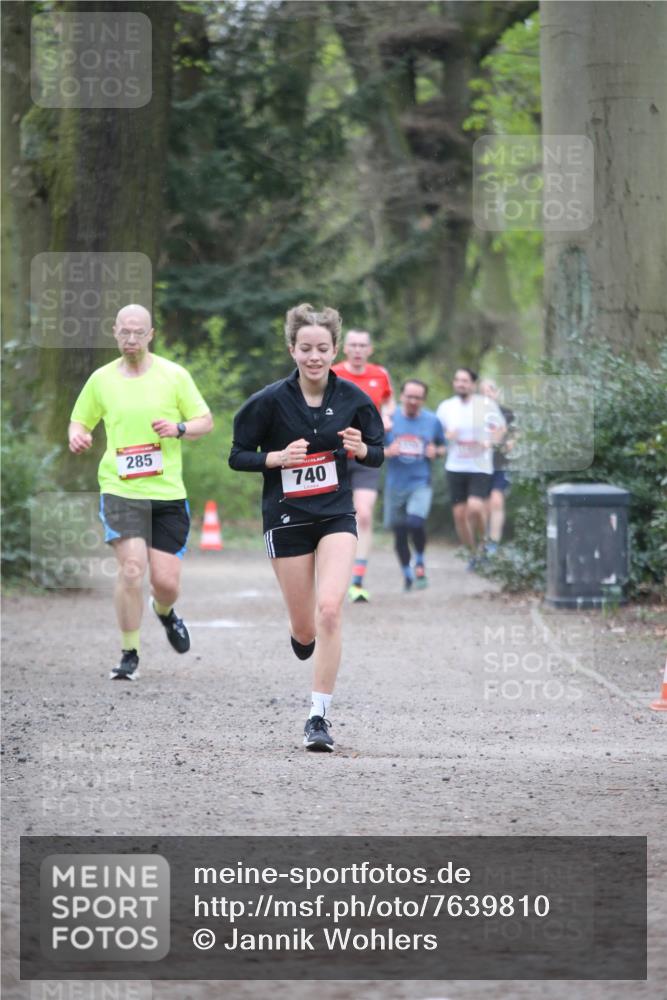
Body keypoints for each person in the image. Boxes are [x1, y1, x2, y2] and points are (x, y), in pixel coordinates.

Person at [229, 304, 384, 752]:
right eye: (305, 348)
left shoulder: (354, 399)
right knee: (305, 629)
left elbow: (377, 451)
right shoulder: (268, 401)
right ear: (292, 350)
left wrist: (361, 451)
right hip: (286, 518)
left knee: (331, 609)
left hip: (336, 514)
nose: (314, 356)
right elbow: (237, 454)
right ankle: (303, 635)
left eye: (322, 348)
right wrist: (275, 459)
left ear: (334, 350)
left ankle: (318, 717)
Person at [69, 304, 213, 680]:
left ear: (151, 334)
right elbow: (79, 420)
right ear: (114, 332)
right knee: (131, 569)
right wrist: (78, 435)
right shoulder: (101, 380)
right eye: (124, 332)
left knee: (165, 583)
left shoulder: (174, 376)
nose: (131, 339)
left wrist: (179, 429)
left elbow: (205, 422)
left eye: (138, 332)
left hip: (167, 493)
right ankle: (129, 652)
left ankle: (164, 612)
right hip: (119, 488)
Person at [332, 329, 394, 603]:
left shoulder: (380, 375)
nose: (358, 350)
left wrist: (388, 417)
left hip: (366, 453)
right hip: (332, 455)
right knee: (331, 516)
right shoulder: (332, 373)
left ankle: (357, 580)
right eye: (353, 345)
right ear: (345, 349)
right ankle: (331, 574)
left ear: (370, 349)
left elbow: (389, 401)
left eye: (363, 346)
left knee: (365, 514)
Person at [436, 367, 505, 569]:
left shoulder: (486, 405)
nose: (460, 384)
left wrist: (490, 442)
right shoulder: (446, 407)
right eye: (457, 380)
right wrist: (447, 437)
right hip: (455, 466)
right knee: (459, 514)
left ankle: (485, 544)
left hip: (480, 466)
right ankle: (472, 553)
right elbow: (437, 434)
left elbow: (500, 429)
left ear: (473, 384)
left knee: (475, 508)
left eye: (465, 381)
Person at [384, 380, 445, 591]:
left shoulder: (432, 420)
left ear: (423, 400)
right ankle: (407, 575)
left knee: (415, 522)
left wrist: (435, 452)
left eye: (417, 397)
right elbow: (371, 448)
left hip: (421, 482)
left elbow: (443, 447)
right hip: (395, 484)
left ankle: (419, 560)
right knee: (399, 533)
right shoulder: (389, 420)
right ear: (401, 396)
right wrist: (386, 451)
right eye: (409, 396)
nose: (412, 401)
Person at [479, 378, 514, 553]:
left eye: (491, 390)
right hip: (479, 466)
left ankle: (493, 544)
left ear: (497, 392)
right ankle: (481, 545)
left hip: (500, 464)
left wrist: (503, 441)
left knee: (496, 500)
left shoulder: (507, 414)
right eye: (483, 391)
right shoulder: (475, 414)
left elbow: (513, 441)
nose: (488, 394)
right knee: (482, 506)